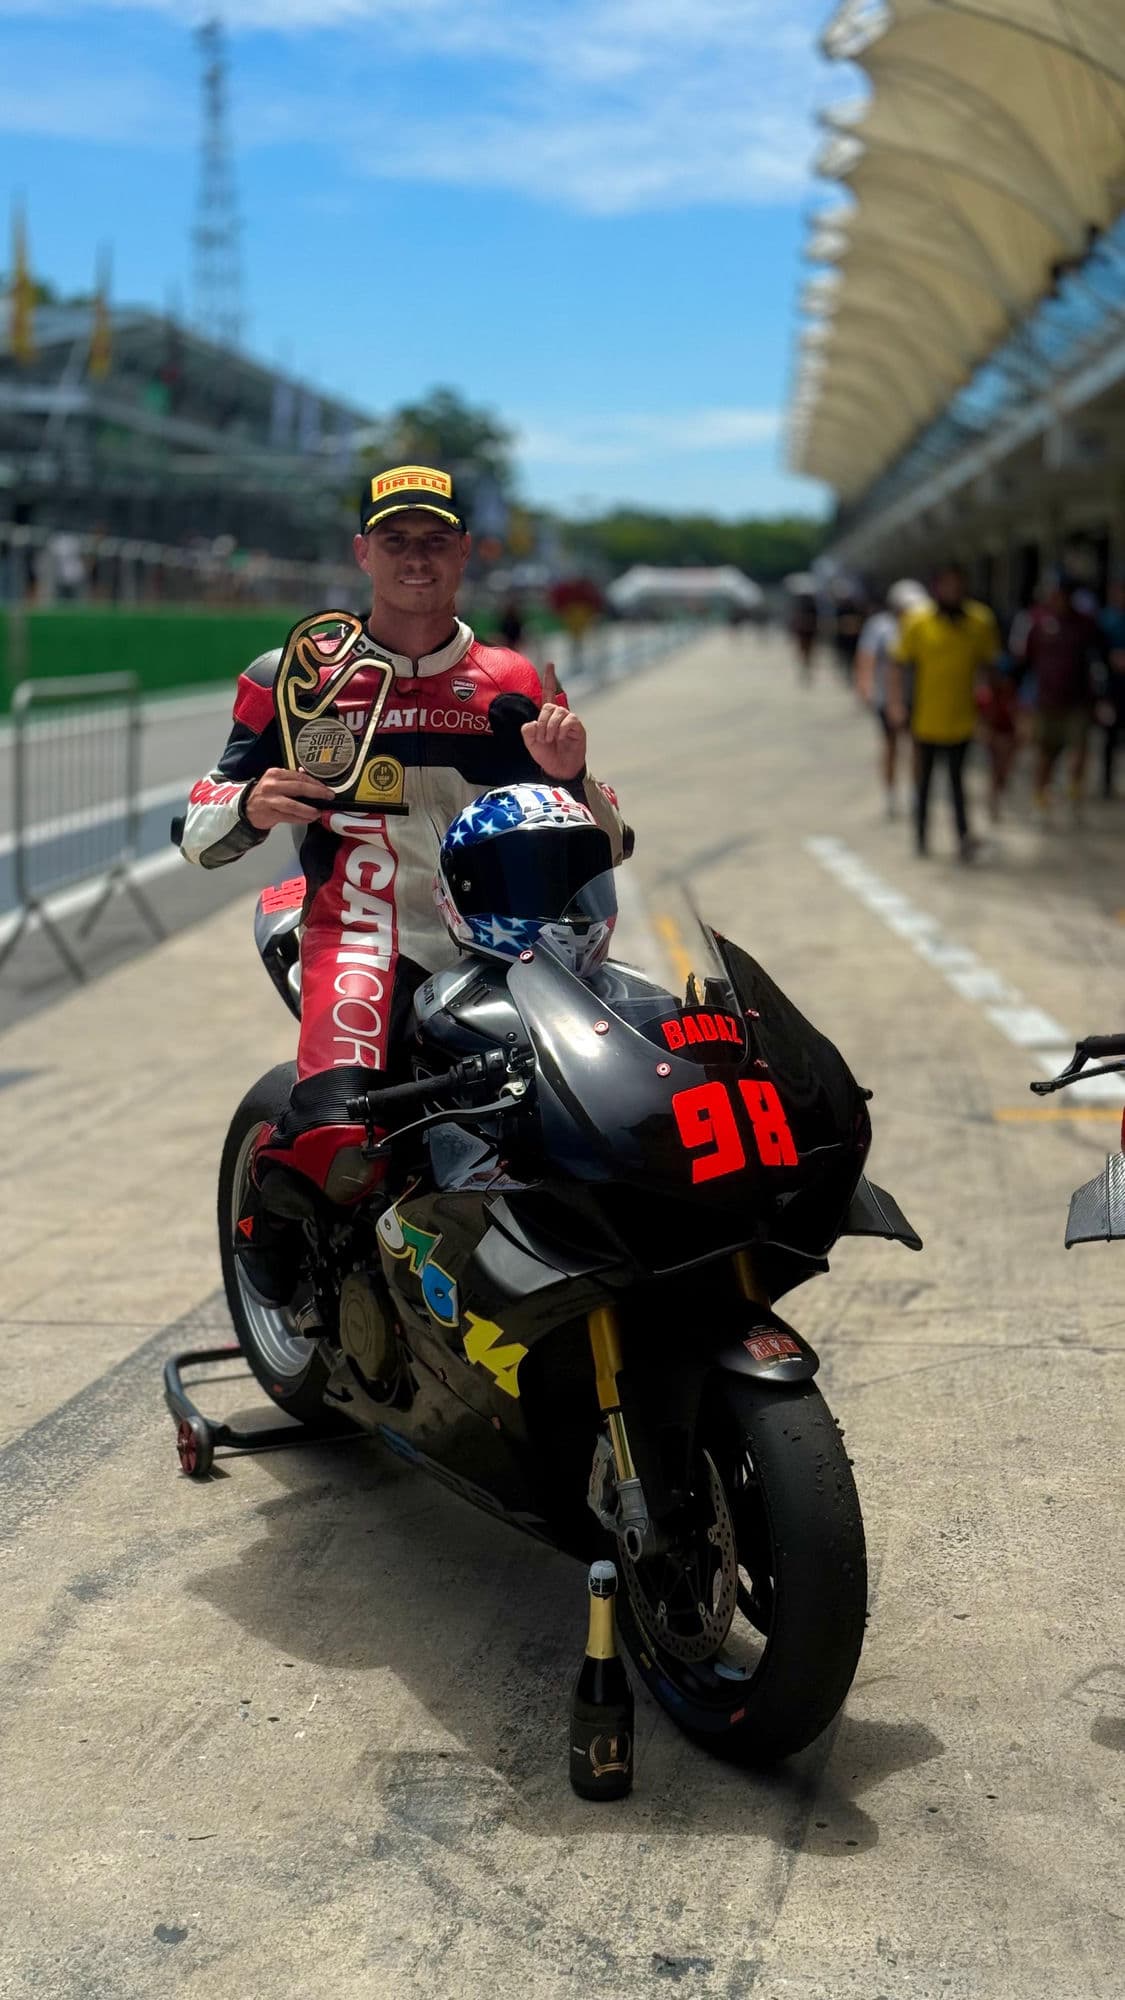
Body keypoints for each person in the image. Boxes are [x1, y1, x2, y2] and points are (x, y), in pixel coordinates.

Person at [177, 463, 626, 1301]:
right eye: (395, 541)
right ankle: (265, 1211)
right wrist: (252, 800)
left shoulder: (519, 681)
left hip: (507, 944)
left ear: (465, 554)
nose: (414, 557)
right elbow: (197, 831)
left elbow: (609, 842)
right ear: (362, 553)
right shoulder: (294, 673)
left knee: (596, 1123)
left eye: (434, 541)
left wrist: (576, 780)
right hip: (358, 932)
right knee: (339, 1148)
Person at [889, 561, 1000, 861]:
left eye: (957, 584)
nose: (952, 590)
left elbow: (989, 669)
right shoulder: (918, 621)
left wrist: (991, 713)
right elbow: (899, 665)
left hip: (962, 718)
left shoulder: (979, 621)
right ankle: (921, 837)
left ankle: (962, 836)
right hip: (925, 716)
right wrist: (897, 704)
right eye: (946, 584)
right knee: (924, 782)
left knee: (957, 781)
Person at [1010, 571, 1099, 820]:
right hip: (1046, 700)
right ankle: (1040, 801)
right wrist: (1020, 702)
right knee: (1044, 754)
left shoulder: (1085, 623)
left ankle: (1074, 798)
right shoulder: (1036, 621)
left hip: (1078, 700)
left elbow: (1096, 659)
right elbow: (1023, 662)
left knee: (1078, 751)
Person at [854, 578, 928, 817]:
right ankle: (890, 794)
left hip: (918, 696)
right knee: (891, 747)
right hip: (887, 697)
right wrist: (865, 685)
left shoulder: (922, 624)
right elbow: (867, 656)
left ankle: (918, 794)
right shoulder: (880, 626)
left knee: (918, 747)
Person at [1097, 577, 1125, 800]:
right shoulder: (1105, 620)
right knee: (1109, 736)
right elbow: (1095, 653)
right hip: (1111, 688)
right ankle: (1106, 783)